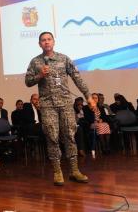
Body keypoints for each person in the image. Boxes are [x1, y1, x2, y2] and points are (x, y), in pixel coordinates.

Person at [25, 31, 94, 186]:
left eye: (49, 39)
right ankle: (57, 172)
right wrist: (39, 76)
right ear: (39, 44)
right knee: (52, 136)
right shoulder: (35, 62)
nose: (46, 42)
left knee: (70, 135)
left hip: (65, 104)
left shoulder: (64, 59)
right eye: (43, 40)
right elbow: (28, 81)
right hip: (48, 105)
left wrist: (88, 96)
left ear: (54, 42)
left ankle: (74, 171)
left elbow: (77, 78)